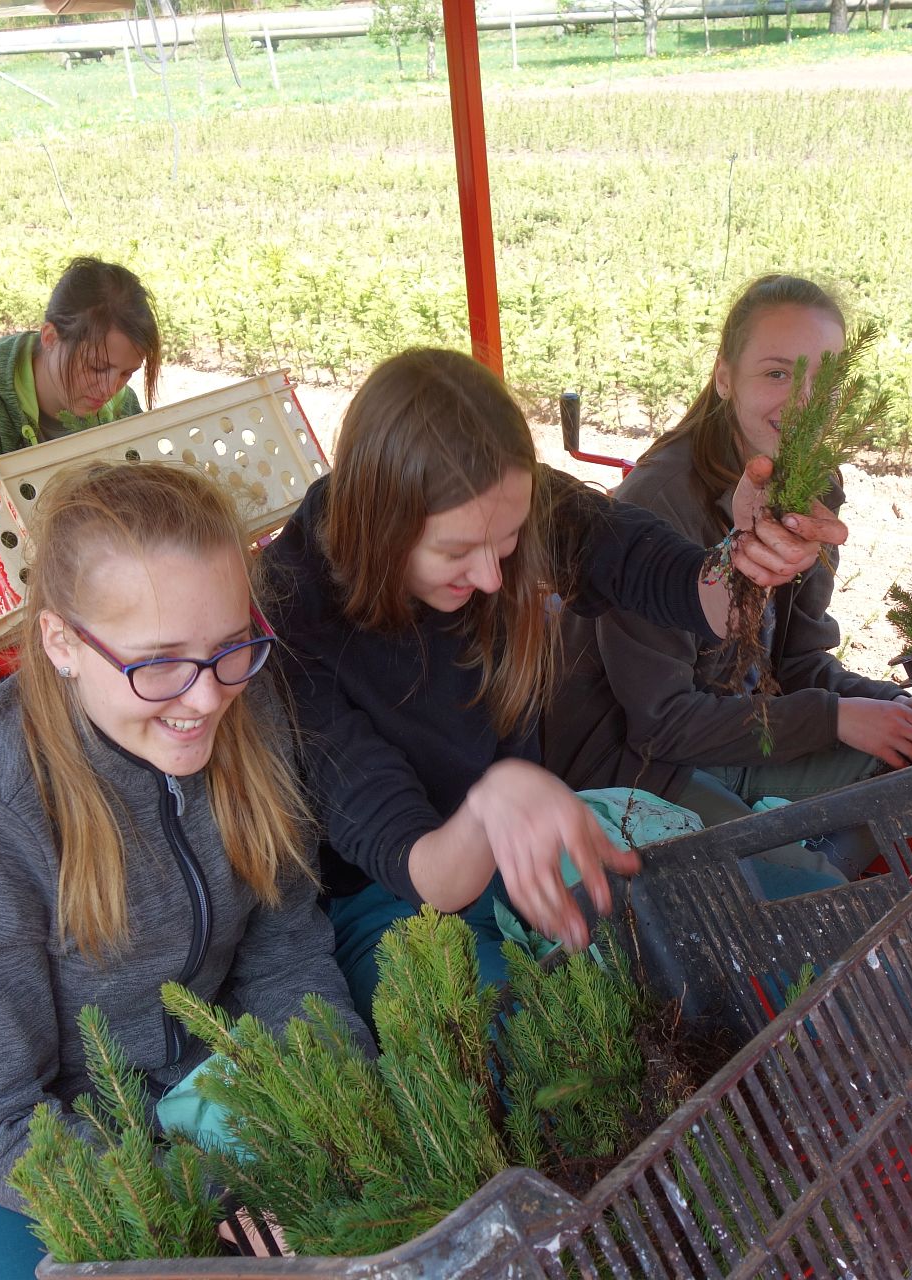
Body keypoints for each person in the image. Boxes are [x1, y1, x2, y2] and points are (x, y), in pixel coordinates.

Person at [0, 461, 365, 1279]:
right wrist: (209, 1203)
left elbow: (286, 956)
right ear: (62, 642)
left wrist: (337, 1107)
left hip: (192, 1082)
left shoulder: (247, 712)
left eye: (230, 647)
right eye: (158, 663)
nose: (205, 699)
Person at [259, 346, 840, 1027]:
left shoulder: (498, 499)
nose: (491, 578)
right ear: (377, 523)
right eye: (455, 552)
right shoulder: (295, 614)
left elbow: (667, 576)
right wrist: (490, 805)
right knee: (530, 1047)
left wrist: (748, 558)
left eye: (505, 542)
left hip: (529, 835)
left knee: (773, 927)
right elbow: (421, 869)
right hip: (392, 900)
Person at [545, 274, 912, 881]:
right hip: (637, 765)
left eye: (825, 383)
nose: (803, 404)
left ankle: (808, 852)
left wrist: (895, 706)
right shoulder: (659, 501)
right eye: (777, 373)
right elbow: (662, 724)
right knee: (807, 892)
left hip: (741, 729)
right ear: (725, 377)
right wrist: (835, 718)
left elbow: (797, 663)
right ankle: (803, 867)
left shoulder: (810, 483)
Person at [0, 256, 162, 482]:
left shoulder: (122, 406)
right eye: (97, 367)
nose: (110, 388)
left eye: (127, 373)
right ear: (50, 337)